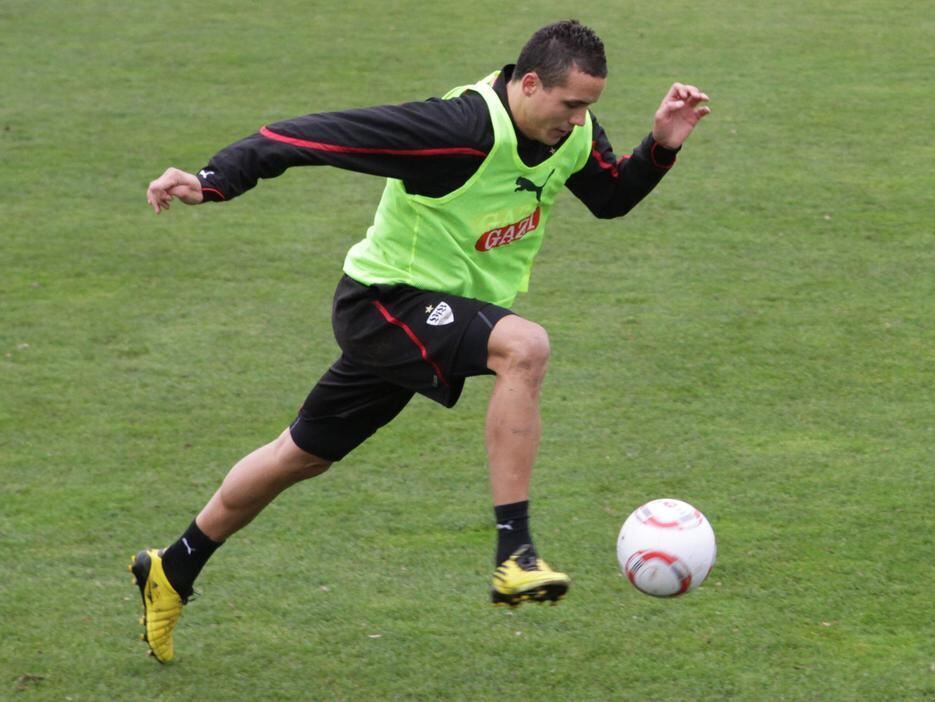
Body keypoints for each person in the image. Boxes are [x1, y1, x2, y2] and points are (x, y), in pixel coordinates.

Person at [133, 19, 710, 663]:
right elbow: (312, 135)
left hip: (436, 313)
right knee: (524, 347)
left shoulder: (567, 131)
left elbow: (609, 196)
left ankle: (173, 566)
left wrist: (660, 146)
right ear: (527, 84)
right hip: (384, 303)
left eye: (589, 107)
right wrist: (214, 179)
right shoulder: (454, 130)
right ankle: (513, 553)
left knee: (300, 455)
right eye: (571, 105)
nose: (580, 121)